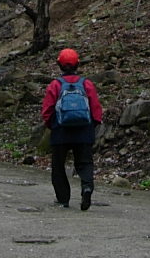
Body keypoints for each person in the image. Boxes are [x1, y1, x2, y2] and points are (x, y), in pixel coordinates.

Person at [40, 47, 103, 210]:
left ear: (59, 65)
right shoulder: (86, 84)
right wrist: (93, 125)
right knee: (85, 163)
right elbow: (95, 108)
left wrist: (51, 125)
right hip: (83, 130)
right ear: (78, 64)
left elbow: (47, 110)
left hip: (61, 130)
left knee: (58, 165)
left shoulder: (55, 85)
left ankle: (63, 199)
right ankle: (87, 187)